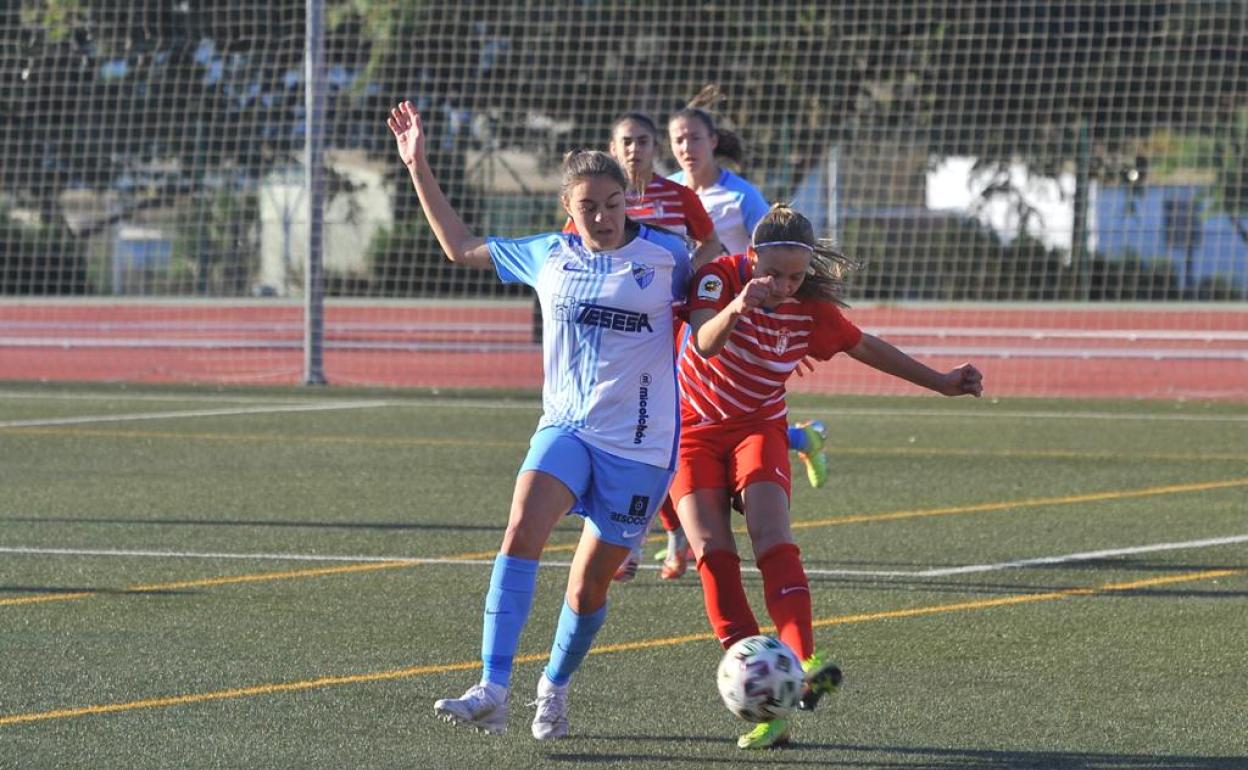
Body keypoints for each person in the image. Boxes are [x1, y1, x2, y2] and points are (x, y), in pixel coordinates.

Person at [387, 100, 692, 740]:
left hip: (641, 446)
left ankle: (552, 685)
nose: (603, 217)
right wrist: (417, 165)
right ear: (569, 212)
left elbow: (721, 296)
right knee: (521, 526)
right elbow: (459, 245)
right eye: (589, 208)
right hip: (568, 428)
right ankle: (493, 686)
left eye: (612, 204)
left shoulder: (669, 257)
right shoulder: (547, 254)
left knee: (587, 589)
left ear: (626, 201)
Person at [673, 204, 983, 749]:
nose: (787, 285)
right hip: (693, 430)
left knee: (772, 535)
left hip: (758, 428)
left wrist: (941, 381)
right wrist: (740, 305)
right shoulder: (718, 278)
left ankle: (803, 660)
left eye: (797, 275)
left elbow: (865, 346)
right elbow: (703, 341)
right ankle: (765, 692)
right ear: (752, 256)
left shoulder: (810, 308)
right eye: (775, 273)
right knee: (710, 549)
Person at [559, 111, 720, 584]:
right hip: (605, 344)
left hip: (661, 340)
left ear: (656, 148)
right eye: (626, 142)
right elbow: (571, 254)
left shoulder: (678, 197)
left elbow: (708, 243)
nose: (635, 150)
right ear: (613, 148)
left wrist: (683, 280)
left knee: (652, 437)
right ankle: (624, 542)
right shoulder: (594, 203)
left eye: (644, 142)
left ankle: (656, 536)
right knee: (608, 438)